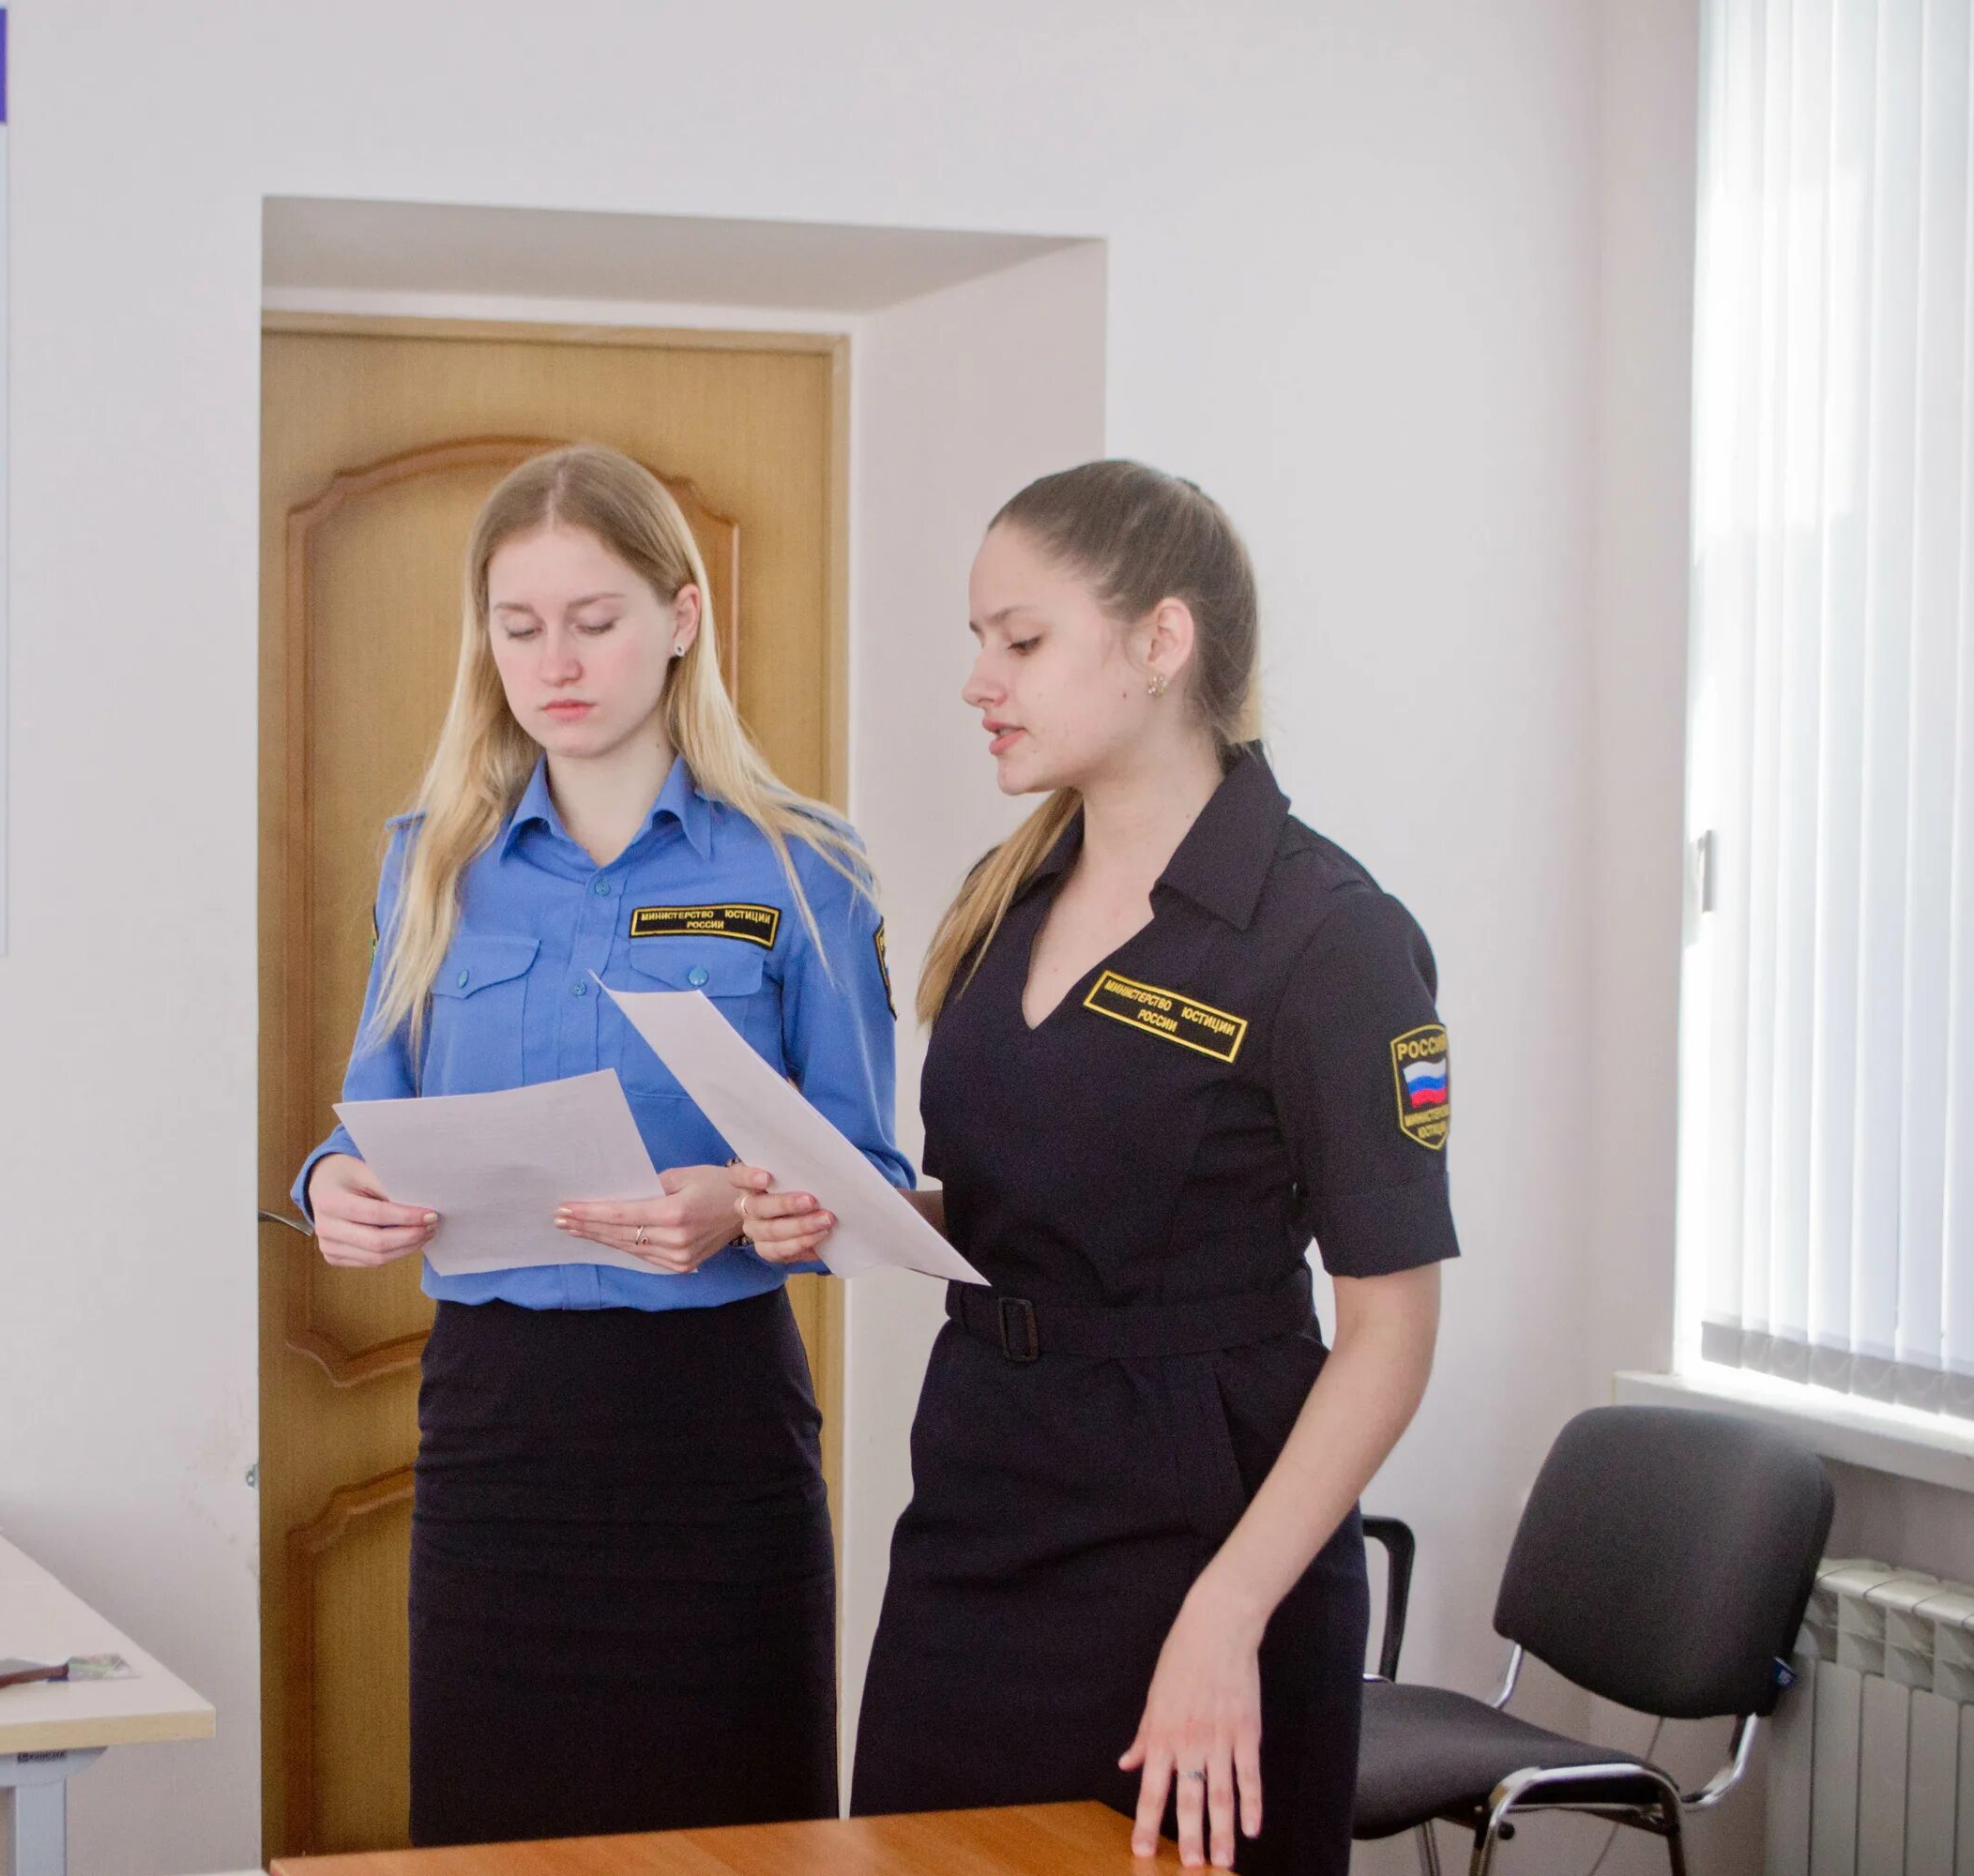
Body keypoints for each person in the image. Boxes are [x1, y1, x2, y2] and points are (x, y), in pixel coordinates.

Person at [292, 443, 909, 1848]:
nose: (554, 664)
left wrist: (742, 1204)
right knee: (498, 1838)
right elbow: (365, 1109)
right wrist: (334, 1189)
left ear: (682, 617)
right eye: (519, 628)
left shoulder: (804, 866)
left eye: (594, 620)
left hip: (714, 1432)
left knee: (737, 1841)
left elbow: (870, 1174)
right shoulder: (432, 859)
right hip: (498, 1431)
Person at [848, 461, 1451, 1872]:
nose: (979, 680)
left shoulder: (1331, 937)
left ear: (1161, 640)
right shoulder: (1009, 895)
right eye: (979, 640)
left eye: (1021, 639)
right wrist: (851, 1212)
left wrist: (1227, 1615)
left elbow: (1391, 1332)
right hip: (977, 1514)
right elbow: (1026, 1212)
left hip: (1202, 1550)